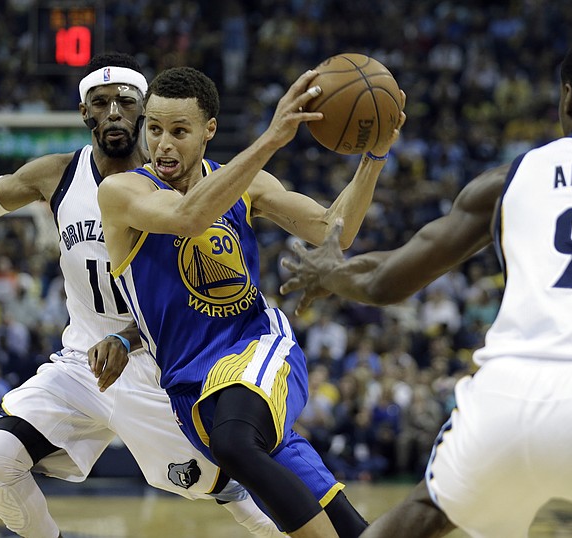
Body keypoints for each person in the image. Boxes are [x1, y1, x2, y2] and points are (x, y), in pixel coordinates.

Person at [280, 31, 572, 537]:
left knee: (419, 517)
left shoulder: (509, 180)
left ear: (566, 98)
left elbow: (384, 282)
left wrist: (327, 269)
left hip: (504, 402)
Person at [0, 52, 279, 538]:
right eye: (100, 102)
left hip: (156, 363)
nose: (114, 111)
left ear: (145, 111)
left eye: (126, 102)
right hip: (81, 363)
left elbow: (186, 295)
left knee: (230, 488)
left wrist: (127, 339)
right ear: (84, 113)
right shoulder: (56, 174)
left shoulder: (175, 188)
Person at [97, 66, 405, 538]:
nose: (163, 144)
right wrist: (271, 138)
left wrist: (375, 157)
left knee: (235, 443)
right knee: (346, 523)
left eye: (180, 131)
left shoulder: (247, 185)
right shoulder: (122, 191)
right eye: (154, 129)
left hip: (255, 347)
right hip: (188, 383)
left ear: (209, 131)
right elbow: (187, 216)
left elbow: (331, 232)